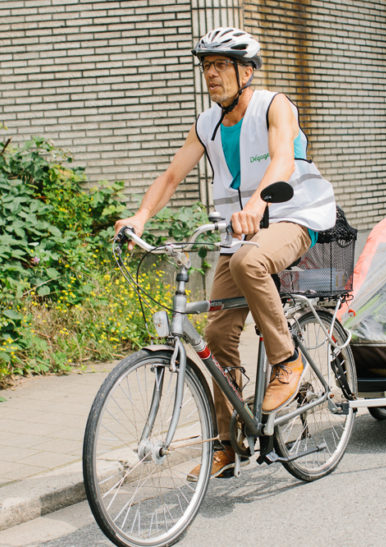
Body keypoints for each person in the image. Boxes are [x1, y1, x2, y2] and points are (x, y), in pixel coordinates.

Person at [114, 27, 336, 480]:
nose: (210, 75)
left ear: (246, 71)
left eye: (219, 66)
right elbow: (173, 175)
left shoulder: (275, 106)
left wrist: (257, 205)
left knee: (248, 261)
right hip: (238, 232)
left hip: (294, 216)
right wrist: (139, 217)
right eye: (206, 66)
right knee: (216, 338)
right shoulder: (207, 123)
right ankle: (224, 446)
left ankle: (287, 360)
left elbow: (282, 161)